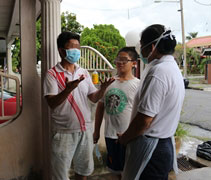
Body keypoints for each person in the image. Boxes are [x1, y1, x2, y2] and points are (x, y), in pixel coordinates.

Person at [43, 31, 114, 180]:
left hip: (85, 130)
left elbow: (94, 98)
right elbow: (51, 103)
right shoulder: (52, 74)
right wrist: (67, 90)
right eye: (72, 47)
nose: (76, 51)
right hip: (63, 133)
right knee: (60, 175)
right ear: (62, 50)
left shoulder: (83, 73)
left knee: (83, 172)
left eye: (78, 47)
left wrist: (103, 89)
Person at [118, 24, 185, 180]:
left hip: (153, 149)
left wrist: (125, 138)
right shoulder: (171, 67)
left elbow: (144, 120)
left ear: (152, 47)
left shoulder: (158, 73)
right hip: (163, 143)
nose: (140, 51)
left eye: (142, 46)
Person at [93, 47, 140, 179]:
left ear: (134, 63)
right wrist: (96, 131)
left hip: (129, 136)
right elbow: (100, 107)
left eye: (124, 60)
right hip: (110, 135)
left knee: (130, 171)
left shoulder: (138, 85)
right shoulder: (109, 83)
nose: (120, 62)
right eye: (118, 59)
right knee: (115, 171)